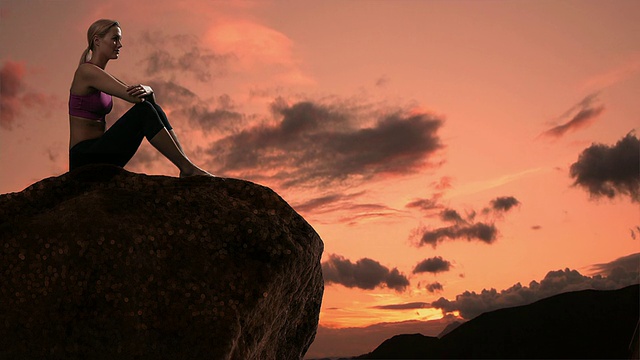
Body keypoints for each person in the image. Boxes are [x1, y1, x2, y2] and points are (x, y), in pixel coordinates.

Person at [68, 19, 212, 177]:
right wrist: (148, 89)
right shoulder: (86, 72)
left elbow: (142, 97)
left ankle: (186, 164)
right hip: (85, 157)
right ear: (97, 41)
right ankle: (187, 168)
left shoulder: (102, 76)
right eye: (115, 39)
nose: (120, 45)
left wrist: (149, 90)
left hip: (100, 152)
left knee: (152, 107)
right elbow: (134, 97)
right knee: (144, 111)